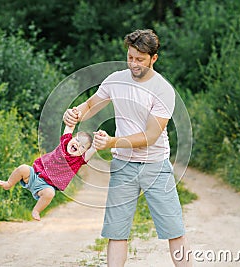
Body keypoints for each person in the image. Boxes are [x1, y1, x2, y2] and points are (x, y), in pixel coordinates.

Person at [63, 29, 190, 266]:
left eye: (140, 59)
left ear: (154, 58)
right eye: (130, 57)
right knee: (116, 231)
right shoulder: (115, 79)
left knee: (174, 229)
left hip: (155, 167)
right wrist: (75, 113)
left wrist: (112, 142)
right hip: (123, 165)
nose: (134, 64)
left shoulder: (163, 90)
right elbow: (91, 105)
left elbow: (151, 136)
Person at [0, 108, 96, 221]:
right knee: (23, 168)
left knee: (50, 194)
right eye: (77, 140)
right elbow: (69, 127)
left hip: (46, 186)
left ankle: (36, 210)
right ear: (72, 139)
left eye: (83, 147)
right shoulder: (65, 142)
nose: (78, 145)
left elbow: (92, 150)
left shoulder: (79, 160)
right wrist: (74, 115)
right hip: (35, 175)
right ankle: (9, 183)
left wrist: (97, 143)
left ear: (84, 153)